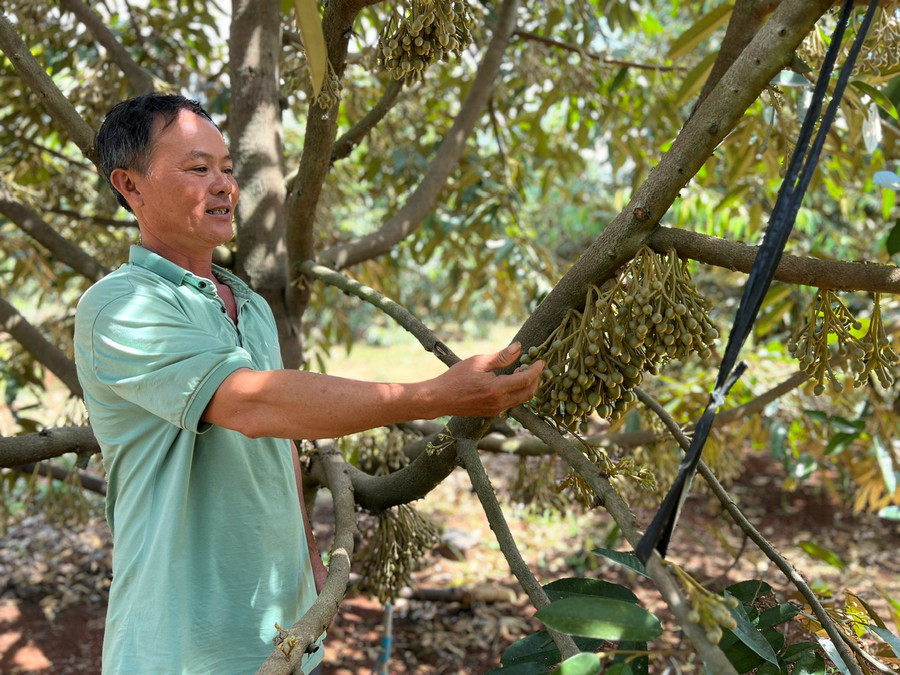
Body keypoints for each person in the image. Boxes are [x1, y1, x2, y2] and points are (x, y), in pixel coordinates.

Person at [73, 92, 543, 674]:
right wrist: (432, 395)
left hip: (283, 631)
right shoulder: (120, 306)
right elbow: (252, 405)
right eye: (198, 169)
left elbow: (280, 443)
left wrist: (306, 555)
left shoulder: (250, 306)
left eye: (227, 169)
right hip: (182, 644)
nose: (223, 185)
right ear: (130, 185)